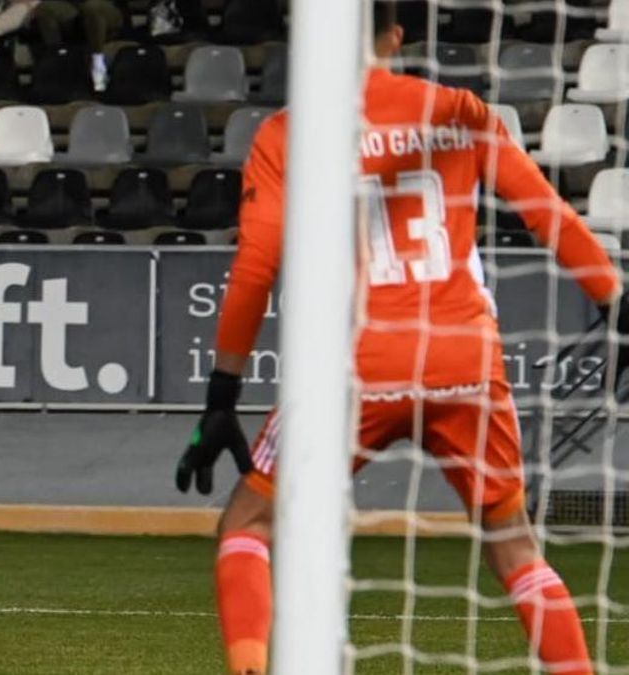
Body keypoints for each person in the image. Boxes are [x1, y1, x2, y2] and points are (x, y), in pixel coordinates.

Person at [174, 4, 616, 674]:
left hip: (355, 366)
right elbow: (546, 213)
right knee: (517, 548)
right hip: (464, 355)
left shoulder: (289, 133)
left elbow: (257, 267)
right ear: (396, 34)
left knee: (248, 524)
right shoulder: (458, 110)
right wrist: (618, 303)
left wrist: (221, 393)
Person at [32, 0, 125, 90]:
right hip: (73, 5)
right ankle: (59, 63)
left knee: (91, 7)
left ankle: (98, 64)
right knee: (44, 9)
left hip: (105, 6)